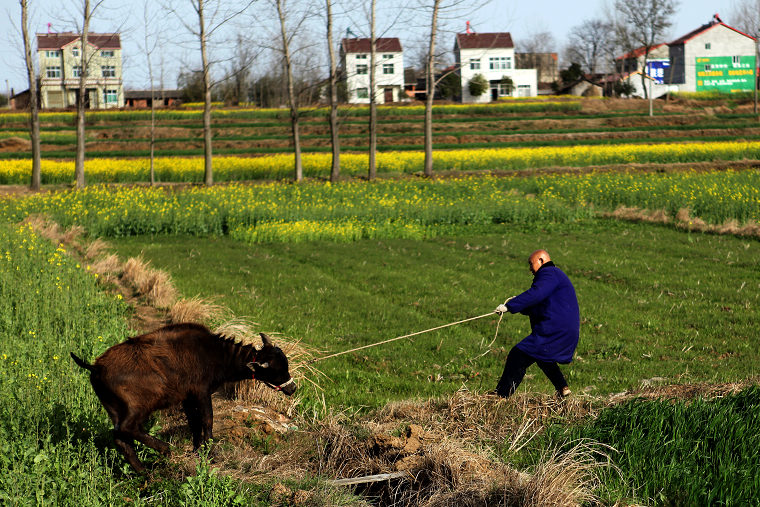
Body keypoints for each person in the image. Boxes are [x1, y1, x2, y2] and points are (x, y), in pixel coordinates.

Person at [492, 249, 580, 399]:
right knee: (542, 355)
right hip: (564, 328)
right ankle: (563, 387)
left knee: (518, 355)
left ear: (541, 260)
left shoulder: (549, 273)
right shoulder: (554, 276)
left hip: (555, 329)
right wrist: (518, 307)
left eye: (531, 264)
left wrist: (510, 306)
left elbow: (536, 294)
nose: (530, 269)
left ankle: (501, 396)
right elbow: (538, 304)